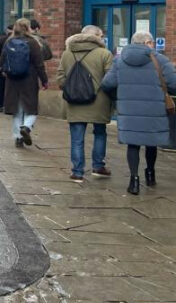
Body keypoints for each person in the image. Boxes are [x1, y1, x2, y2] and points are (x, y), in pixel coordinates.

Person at [101, 31, 176, 195]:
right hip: (154, 110)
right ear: (148, 42)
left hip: (129, 110)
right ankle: (150, 174)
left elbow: (107, 83)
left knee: (133, 144)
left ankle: (133, 181)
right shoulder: (160, 60)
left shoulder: (120, 60)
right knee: (151, 142)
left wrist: (120, 97)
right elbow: (173, 84)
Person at [56, 25, 113, 183]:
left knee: (76, 138)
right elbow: (110, 79)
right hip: (99, 100)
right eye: (101, 35)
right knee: (100, 133)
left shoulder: (68, 53)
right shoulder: (105, 54)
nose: (102, 38)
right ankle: (98, 166)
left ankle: (77, 172)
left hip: (74, 101)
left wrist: (70, 88)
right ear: (96, 36)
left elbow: (60, 77)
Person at [0, 19, 48, 148]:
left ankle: (18, 138)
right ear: (28, 28)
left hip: (12, 80)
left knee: (17, 111)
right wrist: (44, 80)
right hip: (29, 79)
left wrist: (4, 71)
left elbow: (2, 61)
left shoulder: (8, 42)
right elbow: (39, 64)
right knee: (31, 108)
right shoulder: (33, 43)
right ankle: (26, 127)